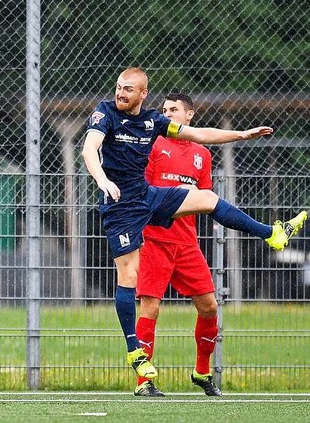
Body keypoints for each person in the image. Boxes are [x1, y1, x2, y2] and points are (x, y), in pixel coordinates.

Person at [81, 67, 307, 381]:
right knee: (129, 277)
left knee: (207, 199)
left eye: (128, 89)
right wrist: (102, 179)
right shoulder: (105, 113)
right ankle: (135, 351)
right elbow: (89, 149)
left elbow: (199, 133)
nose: (121, 93)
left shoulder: (153, 122)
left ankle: (273, 234)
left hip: (147, 196)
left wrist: (241, 135)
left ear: (143, 94)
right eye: (119, 87)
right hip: (120, 207)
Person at [133, 92, 221, 397]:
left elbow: (206, 199)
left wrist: (185, 199)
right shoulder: (154, 146)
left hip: (187, 244)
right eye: (164, 110)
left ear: (189, 116)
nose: (167, 114)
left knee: (209, 307)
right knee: (151, 307)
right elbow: (140, 191)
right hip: (155, 240)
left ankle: (201, 372)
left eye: (174, 110)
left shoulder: (202, 154)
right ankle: (144, 382)